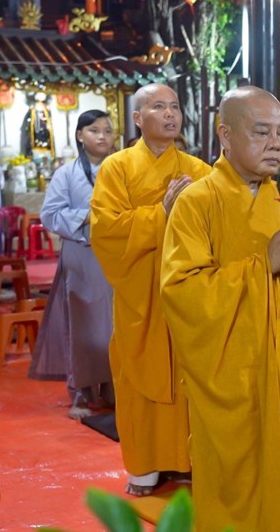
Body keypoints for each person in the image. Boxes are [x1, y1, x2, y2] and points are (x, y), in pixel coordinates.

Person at [161, 86, 280, 531]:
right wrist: (262, 266)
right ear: (225, 135)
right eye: (261, 132)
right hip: (237, 374)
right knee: (239, 486)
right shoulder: (197, 202)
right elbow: (182, 292)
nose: (275, 144)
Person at [89, 83, 211, 496]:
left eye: (174, 106)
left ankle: (190, 459)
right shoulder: (117, 168)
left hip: (188, 290)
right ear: (138, 118)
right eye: (159, 106)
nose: (170, 113)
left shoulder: (199, 170)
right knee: (139, 375)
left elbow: (218, 222)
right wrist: (160, 213)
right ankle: (144, 467)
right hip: (140, 290)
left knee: (192, 375)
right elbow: (105, 229)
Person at [29, 110, 116, 419]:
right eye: (94, 130)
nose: (103, 136)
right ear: (80, 136)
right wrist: (87, 216)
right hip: (82, 254)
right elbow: (50, 214)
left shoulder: (123, 168)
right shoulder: (66, 173)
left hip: (119, 255)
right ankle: (81, 391)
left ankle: (113, 387)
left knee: (115, 324)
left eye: (108, 130)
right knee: (82, 325)